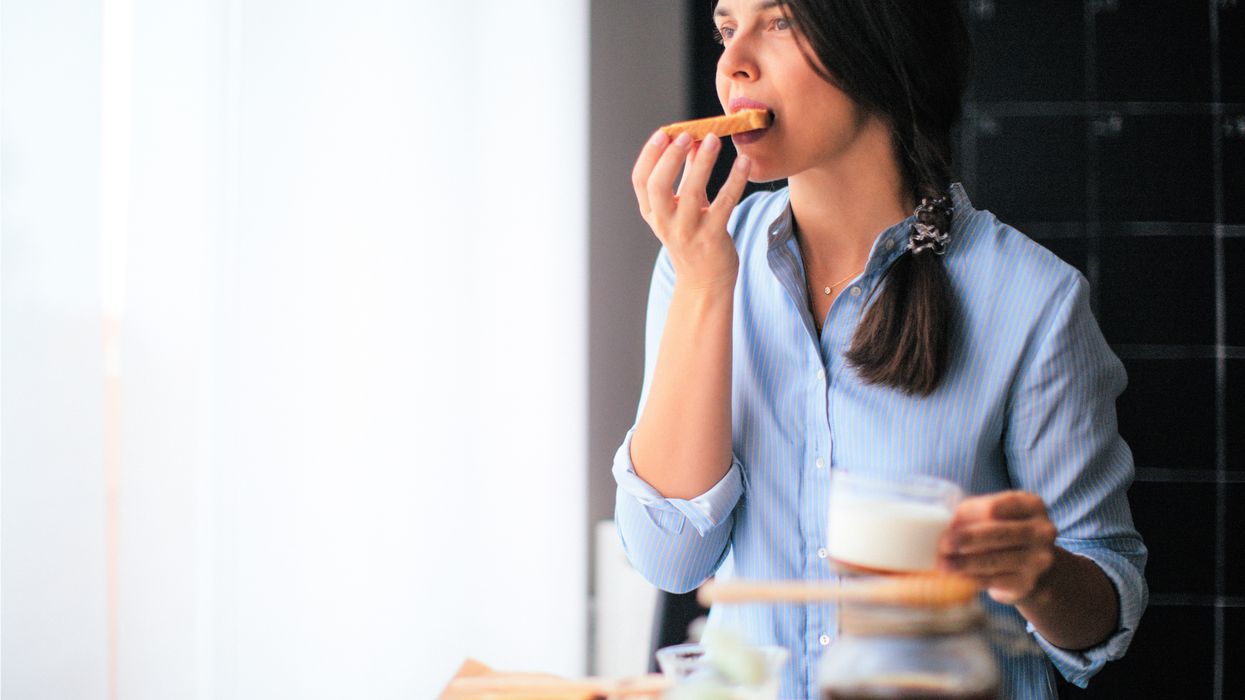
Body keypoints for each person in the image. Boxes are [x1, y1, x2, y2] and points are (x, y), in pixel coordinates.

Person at [611, 1, 1148, 698]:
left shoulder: (1031, 299)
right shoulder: (697, 263)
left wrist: (1037, 573)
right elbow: (666, 558)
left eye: (777, 23)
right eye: (724, 28)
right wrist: (705, 287)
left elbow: (1100, 618)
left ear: (876, 39)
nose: (731, 62)